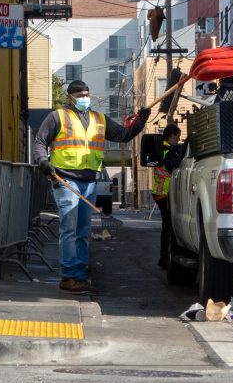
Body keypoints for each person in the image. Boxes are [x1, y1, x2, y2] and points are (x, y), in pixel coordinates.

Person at [34, 80, 150, 294]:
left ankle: (79, 274)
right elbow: (40, 141)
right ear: (70, 98)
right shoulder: (57, 117)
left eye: (86, 95)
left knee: (83, 230)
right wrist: (43, 162)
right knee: (69, 230)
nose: (83, 99)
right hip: (65, 180)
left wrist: (140, 122)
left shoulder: (99, 119)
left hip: (88, 182)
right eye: (79, 96)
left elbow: (123, 135)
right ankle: (69, 277)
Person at [153, 123, 183, 268]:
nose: (178, 140)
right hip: (165, 192)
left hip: (160, 192)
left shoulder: (161, 148)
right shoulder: (168, 151)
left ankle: (164, 258)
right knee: (169, 227)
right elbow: (173, 169)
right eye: (177, 138)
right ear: (171, 136)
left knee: (167, 226)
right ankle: (165, 258)